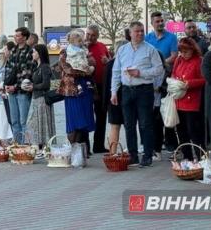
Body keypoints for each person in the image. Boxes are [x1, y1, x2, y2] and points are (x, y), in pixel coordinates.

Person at [111, 21, 164, 167]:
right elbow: (116, 71)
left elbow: (159, 69)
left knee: (145, 124)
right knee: (129, 124)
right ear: (130, 33)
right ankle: (133, 155)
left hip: (144, 89)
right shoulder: (122, 50)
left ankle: (147, 155)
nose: (140, 33)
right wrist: (114, 91)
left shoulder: (150, 50)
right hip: (127, 90)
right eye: (137, 31)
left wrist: (140, 73)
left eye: (142, 31)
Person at [146, 11, 178, 153]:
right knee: (154, 114)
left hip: (167, 78)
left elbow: (174, 55)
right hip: (152, 79)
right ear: (152, 23)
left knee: (168, 110)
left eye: (161, 21)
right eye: (157, 21)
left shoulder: (171, 37)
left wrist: (160, 63)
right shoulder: (147, 38)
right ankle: (155, 145)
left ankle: (171, 144)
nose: (160, 23)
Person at [172, 37, 206, 160]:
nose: (183, 54)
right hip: (179, 101)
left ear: (192, 50)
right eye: (181, 51)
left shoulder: (199, 61)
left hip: (193, 103)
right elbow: (173, 74)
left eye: (186, 51)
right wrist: (175, 83)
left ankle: (201, 156)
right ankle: (187, 158)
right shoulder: (179, 60)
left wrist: (189, 83)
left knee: (194, 132)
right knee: (181, 132)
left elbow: (204, 80)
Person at [60, 48, 96, 157]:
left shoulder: (86, 51)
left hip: (85, 89)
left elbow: (92, 64)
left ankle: (80, 152)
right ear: (71, 40)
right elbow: (68, 70)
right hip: (72, 91)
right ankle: (73, 152)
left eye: (81, 39)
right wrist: (85, 69)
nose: (81, 41)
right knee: (74, 122)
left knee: (84, 122)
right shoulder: (64, 53)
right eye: (78, 39)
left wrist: (90, 67)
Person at [4, 27, 34, 143]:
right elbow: (8, 68)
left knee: (23, 121)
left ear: (24, 37)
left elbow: (27, 73)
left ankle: (25, 145)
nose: (15, 37)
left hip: (22, 91)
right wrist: (6, 85)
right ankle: (16, 145)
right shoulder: (13, 51)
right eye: (15, 35)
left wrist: (15, 86)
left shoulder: (29, 52)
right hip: (11, 91)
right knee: (14, 120)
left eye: (18, 35)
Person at [85, 24, 111, 154]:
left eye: (93, 35)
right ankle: (86, 147)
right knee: (86, 115)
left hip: (102, 86)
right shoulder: (81, 47)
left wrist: (107, 60)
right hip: (87, 85)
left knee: (101, 115)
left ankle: (98, 145)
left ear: (97, 36)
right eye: (88, 34)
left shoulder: (102, 46)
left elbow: (110, 61)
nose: (90, 37)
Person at [26, 44, 55, 149]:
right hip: (36, 98)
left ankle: (44, 146)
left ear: (39, 53)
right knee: (34, 123)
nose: (32, 54)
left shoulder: (45, 67)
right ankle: (38, 145)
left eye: (34, 52)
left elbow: (46, 84)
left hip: (42, 99)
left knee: (41, 123)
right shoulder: (37, 66)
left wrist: (33, 87)